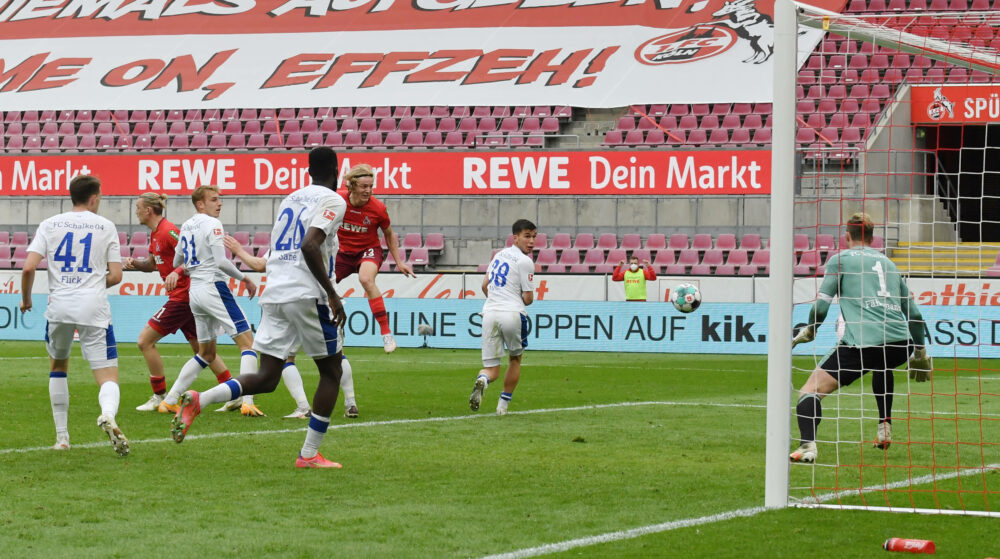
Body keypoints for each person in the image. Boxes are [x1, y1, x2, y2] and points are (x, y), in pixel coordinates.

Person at [171, 147, 350, 470]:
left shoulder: (290, 199)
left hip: (276, 290)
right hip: (306, 293)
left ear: (308, 171)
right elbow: (309, 244)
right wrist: (332, 294)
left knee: (267, 377)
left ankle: (201, 398)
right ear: (336, 171)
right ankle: (309, 455)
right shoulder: (334, 200)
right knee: (331, 371)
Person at [789, 213, 932, 463]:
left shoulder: (839, 260)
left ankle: (808, 446)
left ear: (846, 236)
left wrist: (811, 330)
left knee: (809, 391)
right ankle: (884, 426)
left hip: (863, 343)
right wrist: (920, 351)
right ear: (873, 237)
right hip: (901, 344)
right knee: (882, 365)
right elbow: (916, 314)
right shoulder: (889, 264)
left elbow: (821, 306)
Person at [20, 175, 129, 455]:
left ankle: (62, 438)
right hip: (93, 306)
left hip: (59, 305)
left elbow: (28, 268)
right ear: (94, 197)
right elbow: (116, 275)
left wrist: (26, 299)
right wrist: (91, 285)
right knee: (107, 376)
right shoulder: (106, 226)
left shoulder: (50, 224)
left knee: (58, 367)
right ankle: (108, 414)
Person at [123, 193, 238, 413]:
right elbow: (151, 264)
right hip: (185, 296)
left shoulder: (169, 231)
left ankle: (160, 395)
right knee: (203, 350)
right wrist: (134, 263)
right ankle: (234, 392)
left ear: (148, 210)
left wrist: (177, 271)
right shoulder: (156, 234)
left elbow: (191, 253)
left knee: (144, 341)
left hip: (183, 296)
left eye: (138, 207)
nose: (136, 211)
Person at [225, 235, 360, 419]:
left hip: (295, 300)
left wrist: (239, 251)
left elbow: (259, 264)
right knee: (336, 356)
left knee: (288, 358)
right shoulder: (321, 234)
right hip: (317, 301)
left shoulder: (289, 240)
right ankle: (350, 403)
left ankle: (303, 407)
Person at [164, 185, 264, 417]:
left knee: (206, 353)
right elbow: (221, 261)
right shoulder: (213, 224)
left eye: (219, 200)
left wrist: (194, 262)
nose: (219, 204)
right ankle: (247, 401)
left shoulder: (187, 226)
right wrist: (245, 278)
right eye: (214, 200)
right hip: (213, 287)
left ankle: (170, 399)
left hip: (195, 293)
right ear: (201, 204)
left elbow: (178, 259)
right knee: (248, 344)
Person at [335, 163, 415, 354]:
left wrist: (399, 262)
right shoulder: (337, 200)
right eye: (364, 186)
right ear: (352, 185)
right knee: (324, 286)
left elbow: (389, 234)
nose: (368, 190)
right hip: (342, 253)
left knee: (366, 279)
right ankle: (337, 327)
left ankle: (386, 333)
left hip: (368, 250)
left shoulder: (378, 208)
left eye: (371, 186)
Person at [469, 219, 536, 416]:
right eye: (527, 236)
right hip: (512, 314)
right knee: (515, 359)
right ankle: (502, 406)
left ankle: (482, 380)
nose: (531, 241)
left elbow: (484, 286)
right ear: (515, 238)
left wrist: (497, 299)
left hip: (489, 313)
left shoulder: (499, 255)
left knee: (491, 369)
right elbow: (528, 298)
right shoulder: (525, 262)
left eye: (534, 237)